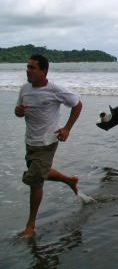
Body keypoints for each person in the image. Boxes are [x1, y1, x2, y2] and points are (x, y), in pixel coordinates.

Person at [15, 54, 82, 238]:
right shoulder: (24, 89)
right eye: (27, 67)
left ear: (44, 71)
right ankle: (70, 180)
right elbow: (18, 111)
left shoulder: (55, 90)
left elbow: (77, 104)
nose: (28, 70)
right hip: (30, 141)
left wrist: (67, 129)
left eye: (32, 67)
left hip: (47, 141)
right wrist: (18, 111)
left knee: (35, 181)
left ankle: (30, 226)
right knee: (40, 172)